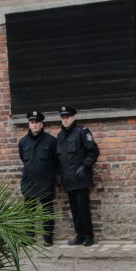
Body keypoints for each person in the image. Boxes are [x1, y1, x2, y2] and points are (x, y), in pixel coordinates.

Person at [55, 105, 99, 246]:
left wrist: (85, 166)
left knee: (83, 209)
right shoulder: (60, 136)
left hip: (80, 178)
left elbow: (93, 151)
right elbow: (59, 158)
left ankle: (88, 236)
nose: (65, 119)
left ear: (73, 117)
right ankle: (79, 235)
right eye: (63, 117)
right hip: (68, 179)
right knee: (74, 210)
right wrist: (59, 175)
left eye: (67, 117)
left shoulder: (82, 132)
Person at [17, 110, 59, 246]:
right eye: (32, 122)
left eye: (37, 122)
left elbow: (56, 161)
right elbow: (24, 159)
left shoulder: (51, 141)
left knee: (47, 211)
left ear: (42, 124)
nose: (34, 125)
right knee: (29, 212)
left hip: (46, 181)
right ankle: (29, 237)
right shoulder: (23, 142)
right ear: (29, 124)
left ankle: (48, 239)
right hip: (29, 182)